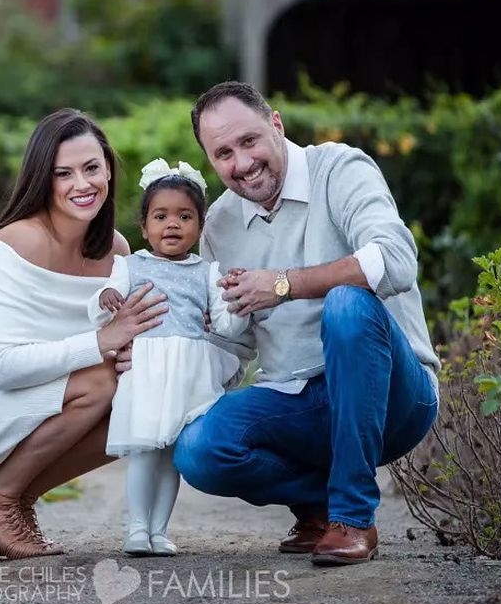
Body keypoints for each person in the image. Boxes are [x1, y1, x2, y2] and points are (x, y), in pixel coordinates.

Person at [167, 81, 441, 566]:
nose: (242, 163)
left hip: (396, 397)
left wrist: (283, 284)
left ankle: (353, 519)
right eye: (223, 153)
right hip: (299, 402)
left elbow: (395, 261)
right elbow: (231, 347)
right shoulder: (221, 225)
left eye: (248, 141)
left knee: (347, 306)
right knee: (199, 450)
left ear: (276, 123)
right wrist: (153, 348)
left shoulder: (338, 168)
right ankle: (321, 505)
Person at [0, 108, 167, 564]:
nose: (82, 184)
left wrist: (132, 349)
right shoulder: (16, 241)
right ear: (43, 179)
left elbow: (125, 334)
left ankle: (8, 503)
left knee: (138, 399)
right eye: (64, 173)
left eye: (91, 168)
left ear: (108, 170)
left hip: (3, 407)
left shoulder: (117, 252)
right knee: (100, 380)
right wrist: (103, 344)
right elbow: (1, 369)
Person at [89, 160, 248, 557]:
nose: (172, 224)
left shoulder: (207, 272)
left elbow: (226, 328)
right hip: (146, 371)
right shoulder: (130, 265)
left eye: (184, 216)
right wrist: (107, 298)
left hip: (188, 373)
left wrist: (239, 303)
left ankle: (160, 530)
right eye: (160, 216)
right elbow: (104, 305)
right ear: (144, 227)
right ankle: (137, 528)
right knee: (145, 452)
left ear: (200, 225)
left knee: (171, 457)